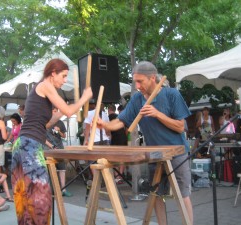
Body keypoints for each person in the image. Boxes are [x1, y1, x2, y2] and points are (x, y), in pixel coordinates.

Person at [96, 61, 193, 225]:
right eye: (135, 81)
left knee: (182, 195)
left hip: (177, 152)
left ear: (152, 78)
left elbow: (181, 127)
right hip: (154, 154)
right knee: (156, 196)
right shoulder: (137, 99)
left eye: (140, 81)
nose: (137, 85)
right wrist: (105, 125)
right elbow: (120, 121)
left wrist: (157, 114)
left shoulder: (171, 95)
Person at [11, 58, 92, 225]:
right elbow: (70, 112)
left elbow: (45, 124)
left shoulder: (42, 91)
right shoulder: (45, 85)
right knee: (41, 197)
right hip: (29, 146)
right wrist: (85, 98)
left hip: (25, 144)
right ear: (52, 73)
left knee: (27, 198)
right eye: (63, 76)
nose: (64, 81)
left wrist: (60, 112)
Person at [45, 108, 72, 197]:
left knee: (62, 168)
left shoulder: (60, 122)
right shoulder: (46, 122)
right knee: (49, 169)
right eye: (54, 111)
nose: (56, 113)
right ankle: (48, 190)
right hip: (49, 149)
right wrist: (51, 146)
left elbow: (64, 136)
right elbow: (42, 137)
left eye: (57, 111)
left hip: (59, 147)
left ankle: (63, 189)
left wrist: (59, 131)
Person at [108, 104, 127, 184]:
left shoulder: (108, 117)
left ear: (109, 109)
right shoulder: (120, 117)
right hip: (122, 138)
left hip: (115, 139)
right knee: (122, 158)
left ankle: (116, 175)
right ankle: (120, 175)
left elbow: (108, 131)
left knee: (114, 157)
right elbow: (126, 128)